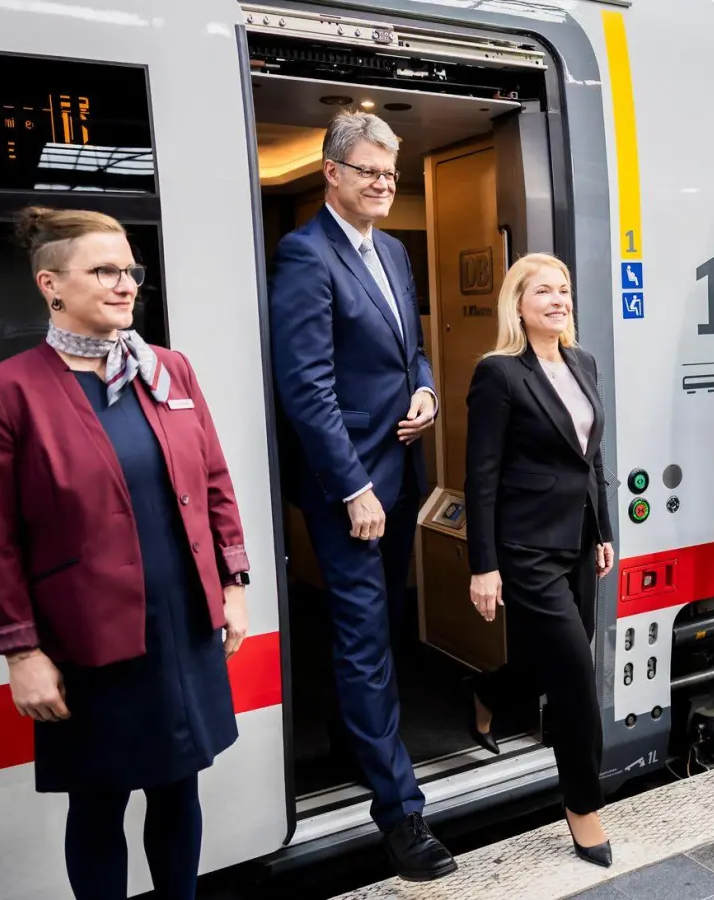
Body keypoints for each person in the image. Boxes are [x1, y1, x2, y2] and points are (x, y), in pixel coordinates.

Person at [0, 207, 251, 900]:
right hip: (89, 639)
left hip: (181, 623)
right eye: (104, 271)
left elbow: (213, 481)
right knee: (98, 802)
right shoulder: (4, 393)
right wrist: (20, 653)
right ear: (50, 284)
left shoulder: (168, 370)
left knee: (180, 790)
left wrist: (232, 583)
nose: (125, 285)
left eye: (129, 271)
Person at [267, 110, 453, 879]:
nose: (383, 185)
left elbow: (412, 350)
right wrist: (351, 488)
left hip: (400, 473)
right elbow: (304, 386)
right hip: (351, 489)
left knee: (383, 625)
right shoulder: (304, 256)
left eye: (390, 173)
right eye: (369, 171)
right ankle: (400, 814)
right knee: (365, 638)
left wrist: (427, 390)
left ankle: (357, 739)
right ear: (331, 173)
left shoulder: (395, 254)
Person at [463, 253, 616, 868]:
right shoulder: (499, 374)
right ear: (518, 303)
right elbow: (482, 476)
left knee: (544, 661)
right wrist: (484, 564)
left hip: (578, 542)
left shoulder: (583, 362)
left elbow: (592, 457)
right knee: (577, 676)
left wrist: (602, 529)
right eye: (543, 291)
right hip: (525, 549)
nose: (558, 300)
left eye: (564, 290)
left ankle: (487, 693)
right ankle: (583, 807)